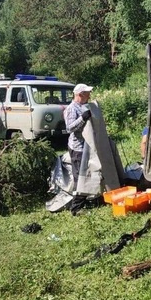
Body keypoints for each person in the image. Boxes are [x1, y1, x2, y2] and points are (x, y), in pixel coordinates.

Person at [64, 83, 94, 214]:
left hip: (85, 146)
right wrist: (83, 118)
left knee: (85, 174)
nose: (89, 95)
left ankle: (83, 201)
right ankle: (76, 208)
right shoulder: (72, 108)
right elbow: (69, 128)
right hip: (77, 148)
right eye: (87, 93)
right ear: (80, 95)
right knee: (79, 176)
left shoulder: (83, 106)